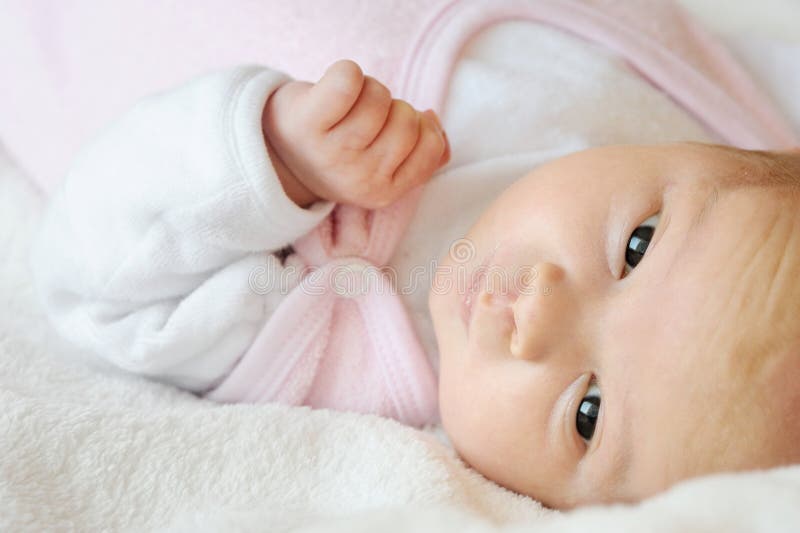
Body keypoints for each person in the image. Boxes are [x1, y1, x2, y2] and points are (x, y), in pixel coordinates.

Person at [30, 6, 800, 509]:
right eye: (638, 246)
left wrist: (269, 155)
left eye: (587, 412)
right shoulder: (743, 136)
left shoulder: (339, 339)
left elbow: (96, 285)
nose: (537, 310)